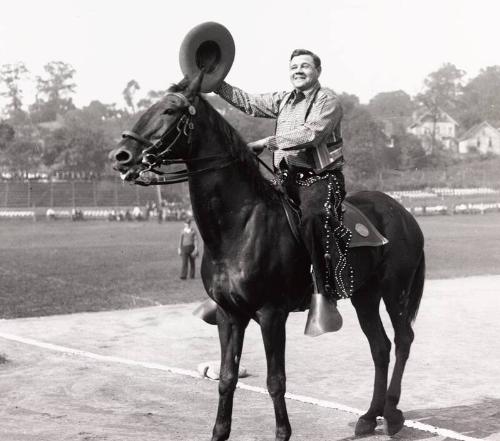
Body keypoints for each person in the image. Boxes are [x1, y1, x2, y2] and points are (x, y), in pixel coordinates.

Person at [215, 48, 352, 334]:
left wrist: (268, 141)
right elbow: (250, 103)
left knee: (313, 218)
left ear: (318, 71)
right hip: (285, 179)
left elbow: (312, 133)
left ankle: (323, 292)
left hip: (319, 178)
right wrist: (218, 84)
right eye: (293, 67)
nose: (298, 70)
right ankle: (230, 292)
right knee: (250, 213)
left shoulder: (327, 100)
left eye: (305, 66)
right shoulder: (284, 99)